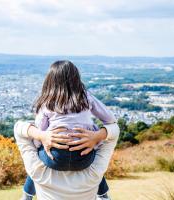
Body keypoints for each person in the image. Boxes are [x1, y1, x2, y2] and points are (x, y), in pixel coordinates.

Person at [18, 61, 118, 200]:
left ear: (50, 80)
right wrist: (95, 136)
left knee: (37, 155)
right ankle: (103, 195)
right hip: (84, 158)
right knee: (97, 156)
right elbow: (110, 119)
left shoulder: (48, 102)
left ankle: (27, 195)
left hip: (55, 157)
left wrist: (41, 141)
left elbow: (40, 129)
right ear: (76, 78)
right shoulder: (86, 97)